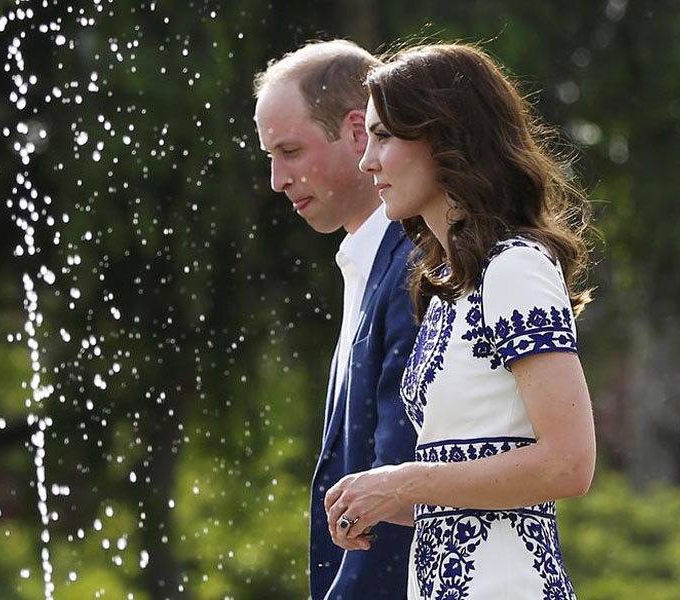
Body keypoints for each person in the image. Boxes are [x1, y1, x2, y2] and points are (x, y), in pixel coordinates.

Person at [324, 43, 597, 599]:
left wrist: (404, 480)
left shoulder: (514, 266)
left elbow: (570, 463)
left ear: (445, 137)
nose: (366, 160)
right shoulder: (452, 285)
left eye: (384, 136)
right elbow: (468, 480)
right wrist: (382, 498)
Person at [253, 40, 419, 599]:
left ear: (356, 131)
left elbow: (395, 494)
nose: (277, 180)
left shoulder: (416, 271)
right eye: (270, 157)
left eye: (291, 151)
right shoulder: (370, 262)